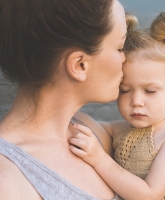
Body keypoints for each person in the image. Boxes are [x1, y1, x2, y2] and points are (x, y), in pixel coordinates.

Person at [0, 0, 128, 199]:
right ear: (79, 65)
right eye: (120, 47)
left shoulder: (88, 131)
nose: (125, 59)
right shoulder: (8, 181)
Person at [69, 9, 165, 200]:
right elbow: (87, 123)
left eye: (150, 91)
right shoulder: (122, 130)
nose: (136, 101)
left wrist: (99, 159)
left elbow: (149, 194)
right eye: (125, 90)